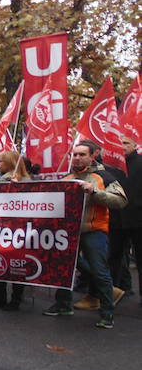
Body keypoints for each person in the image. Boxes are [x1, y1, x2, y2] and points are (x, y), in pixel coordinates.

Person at [43, 140, 127, 328]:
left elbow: (120, 201)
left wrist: (95, 192)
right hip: (68, 233)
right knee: (64, 268)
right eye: (75, 154)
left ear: (92, 156)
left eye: (82, 154)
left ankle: (107, 314)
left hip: (93, 231)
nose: (78, 158)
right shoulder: (67, 178)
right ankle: (63, 304)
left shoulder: (103, 176)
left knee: (100, 271)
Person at [0, 151, 31, 310]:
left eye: (1, 161)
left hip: (18, 230)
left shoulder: (26, 181)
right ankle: (0, 297)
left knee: (17, 266)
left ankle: (16, 299)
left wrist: (18, 189)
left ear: (11, 163)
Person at [109, 136, 142, 303]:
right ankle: (111, 295)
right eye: (120, 142)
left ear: (135, 145)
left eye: (126, 143)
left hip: (138, 220)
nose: (122, 146)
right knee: (113, 258)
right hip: (117, 219)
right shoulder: (113, 166)